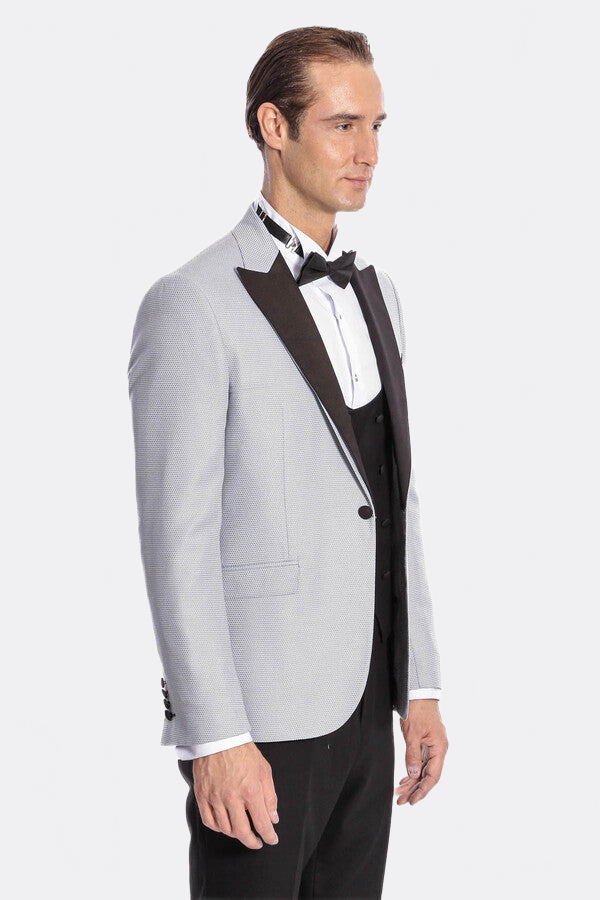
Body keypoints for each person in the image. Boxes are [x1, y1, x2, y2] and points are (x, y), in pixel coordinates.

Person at [128, 25, 448, 900]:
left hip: (369, 704)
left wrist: (419, 681)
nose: (368, 152)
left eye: (377, 127)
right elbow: (177, 539)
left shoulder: (380, 296)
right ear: (274, 126)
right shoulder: (192, 303)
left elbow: (396, 501)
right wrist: (215, 736)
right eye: (343, 125)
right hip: (259, 721)